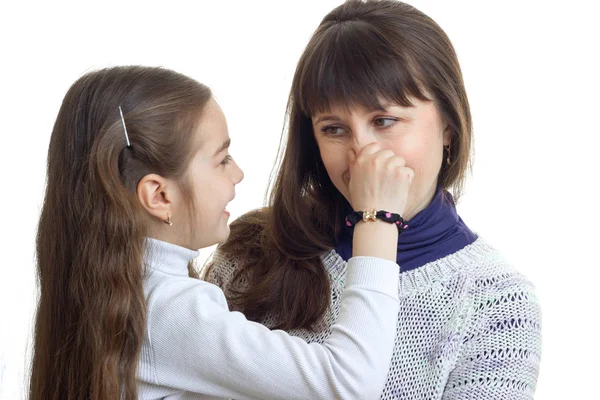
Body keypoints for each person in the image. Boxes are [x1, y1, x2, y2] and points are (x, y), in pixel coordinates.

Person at [205, 1, 542, 399]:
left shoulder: (498, 302)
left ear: (448, 126)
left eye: (384, 121)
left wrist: (376, 218)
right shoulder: (252, 249)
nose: (362, 154)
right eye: (334, 129)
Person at [29, 65, 413, 399]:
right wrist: (377, 218)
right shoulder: (171, 309)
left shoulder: (123, 291)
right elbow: (346, 382)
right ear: (159, 195)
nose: (237, 173)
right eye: (222, 159)